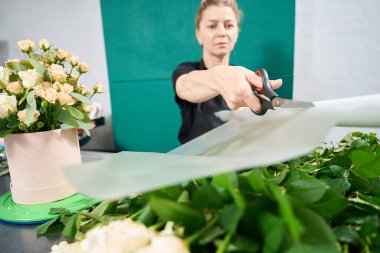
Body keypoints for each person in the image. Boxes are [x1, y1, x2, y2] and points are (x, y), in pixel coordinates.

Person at [172, 0, 283, 144]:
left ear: (236, 33)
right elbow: (185, 87)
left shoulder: (248, 79)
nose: (222, 33)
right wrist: (218, 77)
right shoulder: (185, 71)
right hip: (195, 163)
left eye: (229, 25)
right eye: (212, 26)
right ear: (199, 35)